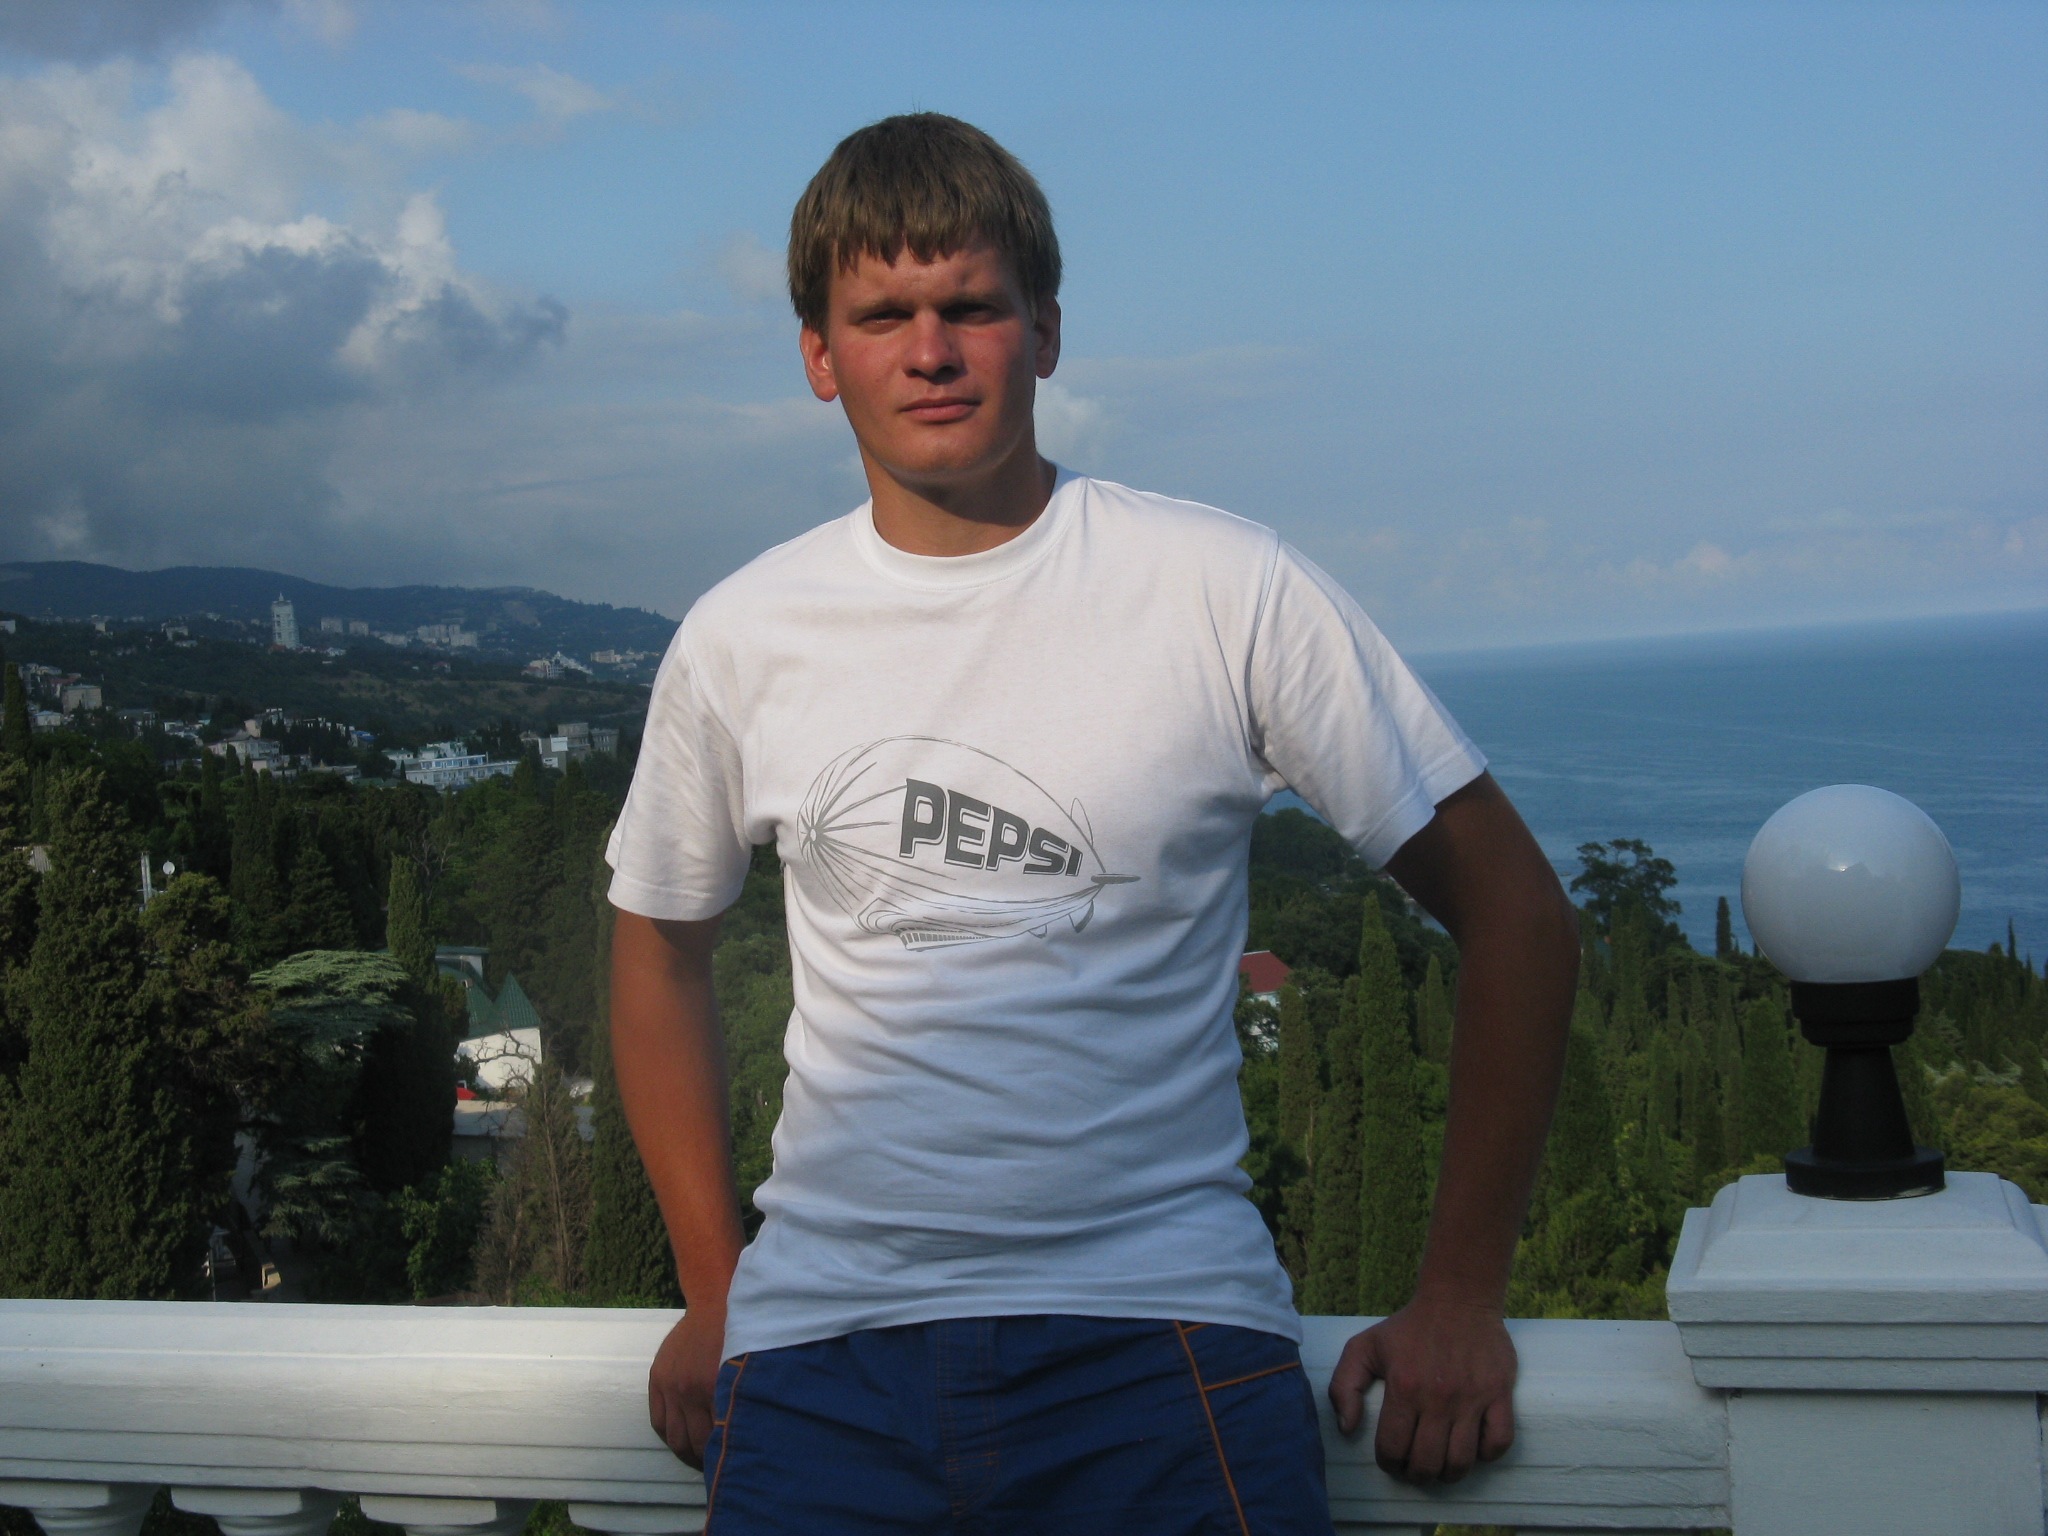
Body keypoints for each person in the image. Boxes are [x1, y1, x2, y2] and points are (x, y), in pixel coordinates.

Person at [606, 113, 1578, 1534]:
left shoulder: (1224, 590)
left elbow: (1521, 918)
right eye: (881, 317)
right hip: (824, 1361)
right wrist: (714, 1288)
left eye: (971, 307)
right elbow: (656, 949)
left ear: (1046, 331)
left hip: (1164, 1351)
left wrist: (1461, 1297)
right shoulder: (742, 637)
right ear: (819, 356)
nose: (930, 352)